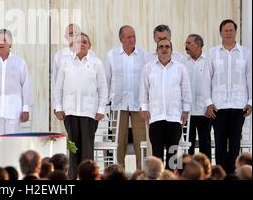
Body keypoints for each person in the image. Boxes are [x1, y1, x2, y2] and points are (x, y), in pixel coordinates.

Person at [54, 33, 108, 179]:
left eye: (85, 42)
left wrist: (101, 109)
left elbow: (103, 88)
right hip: (69, 112)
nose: (82, 44)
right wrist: (58, 107)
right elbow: (58, 87)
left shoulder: (96, 63)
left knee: (87, 150)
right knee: (73, 149)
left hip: (89, 112)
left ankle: (87, 177)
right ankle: (72, 179)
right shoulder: (65, 63)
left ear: (89, 45)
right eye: (78, 42)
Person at [203, 19, 252, 174]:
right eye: (226, 30)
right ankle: (221, 174)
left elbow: (250, 78)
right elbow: (206, 80)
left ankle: (234, 174)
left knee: (235, 142)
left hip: (239, 106)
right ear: (221, 32)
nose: (229, 33)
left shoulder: (246, 53)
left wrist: (250, 101)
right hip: (219, 106)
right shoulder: (212, 53)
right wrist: (208, 103)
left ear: (235, 32)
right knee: (219, 143)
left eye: (231, 30)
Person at [140, 39, 191, 169]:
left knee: (174, 155)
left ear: (171, 50)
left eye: (167, 46)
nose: (164, 49)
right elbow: (143, 90)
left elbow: (186, 91)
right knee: (156, 154)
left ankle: (172, 178)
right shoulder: (148, 68)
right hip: (155, 117)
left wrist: (185, 110)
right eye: (161, 47)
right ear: (156, 51)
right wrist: (144, 108)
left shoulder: (180, 68)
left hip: (175, 117)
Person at [106, 25, 148, 169]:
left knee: (141, 143)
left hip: (139, 105)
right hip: (118, 105)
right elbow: (107, 80)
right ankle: (118, 174)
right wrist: (106, 104)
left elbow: (147, 80)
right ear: (121, 39)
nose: (132, 40)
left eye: (134, 36)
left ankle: (141, 174)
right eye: (129, 37)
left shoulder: (144, 55)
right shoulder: (111, 55)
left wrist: (146, 104)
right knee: (117, 143)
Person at [181, 34, 211, 159]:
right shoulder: (183, 62)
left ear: (198, 45)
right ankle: (188, 171)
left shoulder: (208, 61)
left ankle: (207, 171)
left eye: (189, 43)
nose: (186, 46)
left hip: (204, 111)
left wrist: (210, 105)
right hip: (187, 112)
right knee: (188, 144)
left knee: (205, 143)